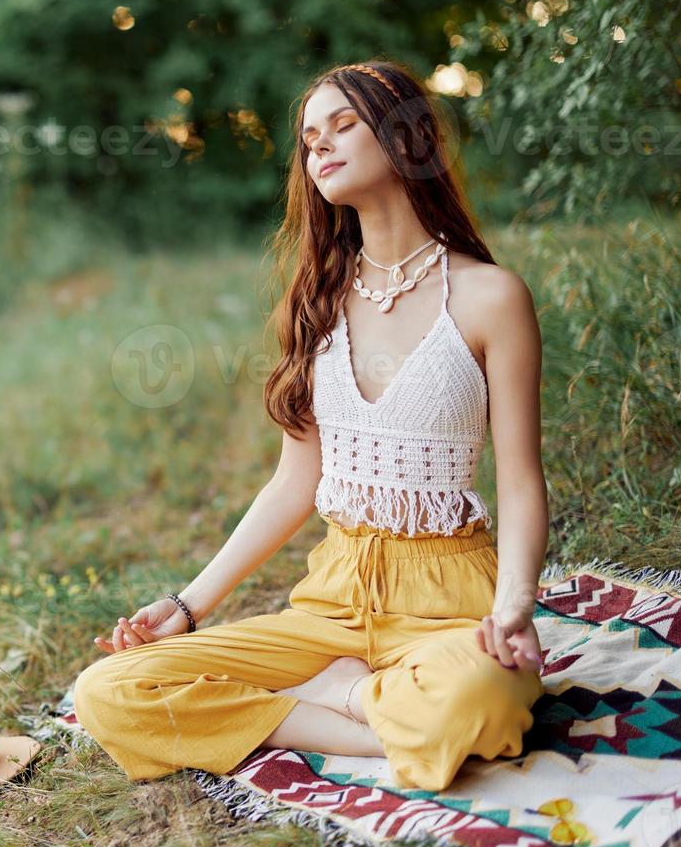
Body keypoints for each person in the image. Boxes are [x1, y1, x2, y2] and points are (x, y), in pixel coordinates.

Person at [72, 59, 547, 793]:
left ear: (407, 138)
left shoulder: (490, 298)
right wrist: (187, 605)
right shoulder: (317, 304)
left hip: (449, 595)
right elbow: (297, 481)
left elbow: (519, 481)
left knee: (485, 699)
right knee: (107, 691)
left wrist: (514, 607)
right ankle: (346, 705)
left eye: (343, 125)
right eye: (308, 137)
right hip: (332, 598)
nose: (319, 146)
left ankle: (339, 698)